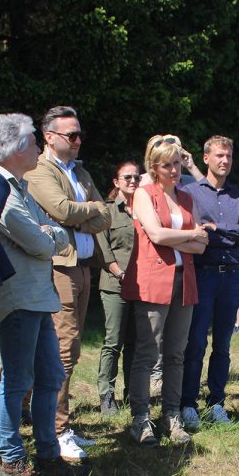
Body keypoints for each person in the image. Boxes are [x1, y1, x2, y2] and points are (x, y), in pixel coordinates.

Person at [0, 113, 83, 476]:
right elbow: (43, 242)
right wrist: (49, 236)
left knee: (50, 376)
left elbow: (51, 233)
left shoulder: (20, 188)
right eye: (33, 142)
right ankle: (11, 459)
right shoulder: (1, 190)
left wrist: (49, 235)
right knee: (16, 381)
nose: (39, 149)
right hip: (19, 297)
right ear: (15, 148)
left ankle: (47, 454)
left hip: (38, 297)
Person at [24, 106, 112, 462]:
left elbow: (104, 214)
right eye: (70, 135)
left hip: (81, 267)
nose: (78, 141)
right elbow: (61, 210)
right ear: (49, 137)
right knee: (63, 347)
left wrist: (85, 212)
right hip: (59, 268)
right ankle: (55, 431)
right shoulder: (39, 171)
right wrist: (85, 210)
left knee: (72, 349)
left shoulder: (80, 171)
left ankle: (61, 425)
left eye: (80, 135)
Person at [123, 134, 207, 445]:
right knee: (147, 353)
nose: (174, 170)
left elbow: (201, 245)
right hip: (153, 282)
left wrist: (185, 237)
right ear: (154, 167)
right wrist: (188, 234)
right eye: (167, 165)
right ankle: (140, 417)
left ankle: (171, 416)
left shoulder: (186, 198)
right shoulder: (144, 194)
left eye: (177, 163)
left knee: (176, 354)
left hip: (184, 282)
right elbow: (156, 235)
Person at [179, 136, 239, 429]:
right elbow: (196, 232)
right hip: (203, 273)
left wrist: (217, 229)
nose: (225, 161)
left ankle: (217, 403)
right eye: (220, 155)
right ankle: (188, 404)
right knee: (195, 342)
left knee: (223, 344)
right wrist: (225, 232)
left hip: (232, 276)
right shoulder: (191, 193)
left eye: (229, 156)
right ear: (206, 158)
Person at [96, 161, 140, 416]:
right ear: (116, 181)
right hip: (115, 284)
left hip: (142, 286)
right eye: (127, 177)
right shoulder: (108, 211)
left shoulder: (145, 210)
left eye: (136, 177)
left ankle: (133, 393)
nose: (133, 181)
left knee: (136, 342)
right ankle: (106, 395)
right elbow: (104, 251)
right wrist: (121, 273)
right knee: (114, 341)